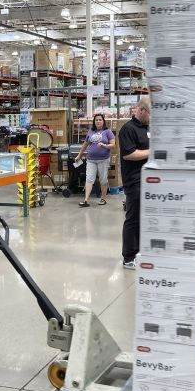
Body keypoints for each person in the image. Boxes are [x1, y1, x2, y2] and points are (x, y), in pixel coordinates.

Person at [119, 97, 150, 269]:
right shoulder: (127, 129)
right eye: (150, 114)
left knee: (144, 218)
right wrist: (152, 152)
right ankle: (128, 257)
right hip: (134, 181)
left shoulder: (147, 128)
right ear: (141, 110)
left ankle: (140, 251)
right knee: (133, 218)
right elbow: (128, 154)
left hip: (149, 181)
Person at [75, 114, 115, 207]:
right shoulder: (90, 131)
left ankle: (103, 199)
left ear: (103, 121)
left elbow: (113, 145)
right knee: (89, 179)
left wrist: (104, 145)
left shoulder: (107, 132)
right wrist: (79, 156)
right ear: (94, 122)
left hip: (103, 160)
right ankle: (86, 200)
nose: (98, 121)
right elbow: (85, 145)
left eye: (100, 120)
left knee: (103, 180)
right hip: (91, 159)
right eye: (96, 120)